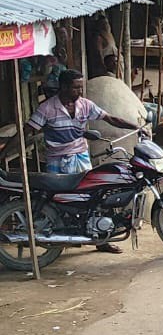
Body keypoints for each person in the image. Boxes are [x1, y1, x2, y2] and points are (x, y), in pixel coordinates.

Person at [21, 70, 139, 254]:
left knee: (93, 197)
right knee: (57, 200)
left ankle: (101, 240)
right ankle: (60, 238)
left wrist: (136, 127)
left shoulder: (85, 105)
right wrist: (5, 152)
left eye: (81, 87)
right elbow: (27, 130)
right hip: (57, 159)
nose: (80, 91)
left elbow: (110, 119)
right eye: (76, 88)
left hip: (81, 156)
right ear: (64, 87)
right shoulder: (47, 108)